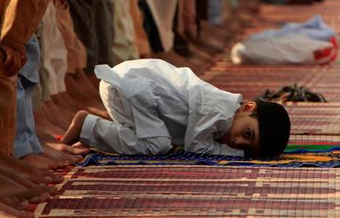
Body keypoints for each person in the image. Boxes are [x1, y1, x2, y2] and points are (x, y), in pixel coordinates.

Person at [61, 59, 290, 158]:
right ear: (248, 107)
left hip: (130, 91)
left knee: (153, 140)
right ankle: (86, 126)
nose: (239, 142)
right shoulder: (220, 110)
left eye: (247, 146)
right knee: (157, 145)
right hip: (132, 87)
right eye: (248, 133)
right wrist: (241, 155)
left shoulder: (227, 115)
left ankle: (94, 132)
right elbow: (196, 147)